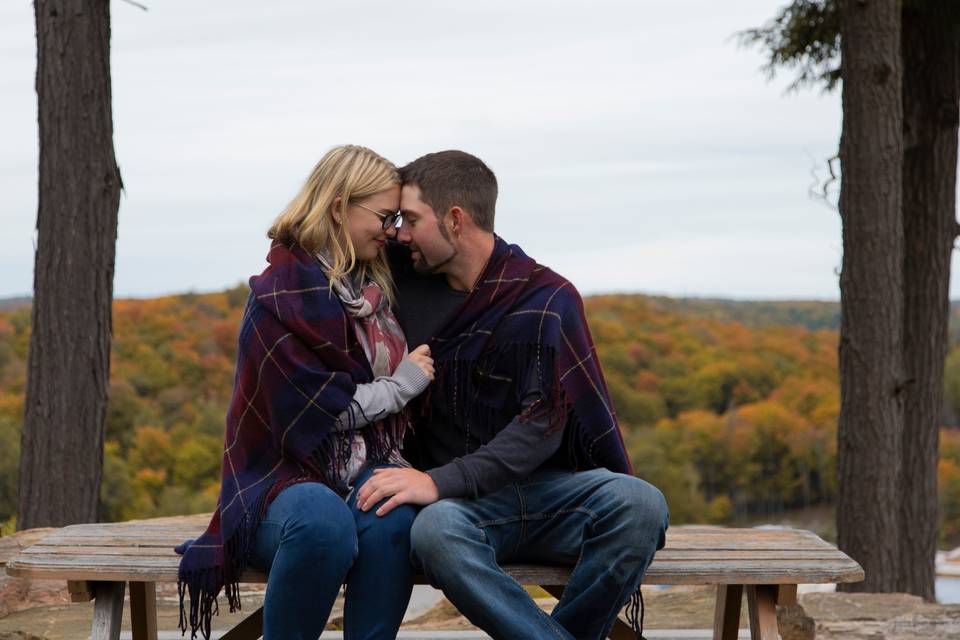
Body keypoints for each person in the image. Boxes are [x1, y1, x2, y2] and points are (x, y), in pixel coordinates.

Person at [355, 150, 670, 640]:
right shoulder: (397, 280)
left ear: (455, 220)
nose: (399, 233)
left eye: (411, 219)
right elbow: (321, 254)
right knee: (434, 533)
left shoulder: (543, 298)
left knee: (641, 505)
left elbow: (540, 426)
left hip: (549, 495)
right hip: (459, 511)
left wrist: (436, 481)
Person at [176, 145, 434, 640]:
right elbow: (324, 414)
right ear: (339, 207)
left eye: (396, 218)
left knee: (392, 514)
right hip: (279, 475)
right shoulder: (281, 297)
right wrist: (404, 384)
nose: (390, 230)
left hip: (365, 465)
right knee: (323, 524)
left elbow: (454, 248)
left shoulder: (378, 281)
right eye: (383, 216)